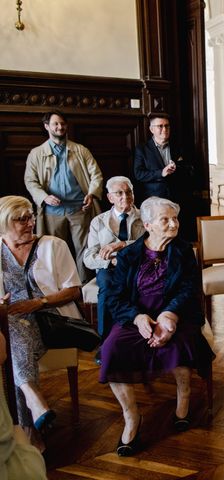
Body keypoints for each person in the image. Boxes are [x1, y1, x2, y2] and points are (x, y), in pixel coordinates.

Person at [100, 196, 210, 456]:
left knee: (180, 345)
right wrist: (137, 318)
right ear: (148, 225)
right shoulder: (128, 255)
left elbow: (188, 289)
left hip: (178, 315)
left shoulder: (183, 252)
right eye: (165, 220)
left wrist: (169, 315)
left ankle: (183, 399)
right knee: (112, 350)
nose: (173, 224)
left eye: (175, 219)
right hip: (135, 316)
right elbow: (115, 297)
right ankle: (132, 416)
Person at [0, 195, 83, 451]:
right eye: (20, 219)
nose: (29, 223)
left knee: (14, 338)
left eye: (30, 217)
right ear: (4, 222)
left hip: (50, 318)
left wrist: (37, 303)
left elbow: (74, 290)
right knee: (14, 329)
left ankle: (28, 423)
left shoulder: (53, 245)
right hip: (9, 320)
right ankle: (33, 408)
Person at [24, 110, 103, 283]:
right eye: (55, 124)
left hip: (79, 208)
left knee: (84, 249)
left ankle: (84, 287)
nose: (60, 127)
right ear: (47, 127)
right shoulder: (36, 153)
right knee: (54, 251)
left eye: (62, 124)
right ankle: (58, 288)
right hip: (53, 211)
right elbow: (30, 181)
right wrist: (44, 197)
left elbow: (96, 174)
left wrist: (91, 193)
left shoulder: (80, 150)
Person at [83, 176, 145, 346]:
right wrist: (109, 262)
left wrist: (123, 244)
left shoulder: (145, 217)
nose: (125, 197)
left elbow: (149, 243)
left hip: (137, 265)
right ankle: (106, 343)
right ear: (110, 198)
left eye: (128, 192)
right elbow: (89, 257)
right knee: (108, 288)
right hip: (109, 268)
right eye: (119, 193)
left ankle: (139, 339)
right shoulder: (98, 221)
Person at [0, 330, 47, 479]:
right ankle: (32, 399)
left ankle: (31, 405)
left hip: (41, 319)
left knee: (18, 338)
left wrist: (40, 304)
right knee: (17, 348)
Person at [133, 113, 193, 205]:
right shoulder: (142, 149)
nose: (164, 129)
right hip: (154, 200)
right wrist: (161, 172)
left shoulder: (178, 146)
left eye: (167, 126)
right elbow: (139, 174)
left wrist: (176, 168)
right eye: (160, 126)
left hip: (177, 199)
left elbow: (189, 168)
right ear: (152, 129)